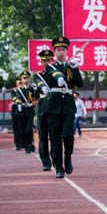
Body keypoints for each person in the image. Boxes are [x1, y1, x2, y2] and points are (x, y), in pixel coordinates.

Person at [37, 36, 84, 178]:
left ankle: (68, 157)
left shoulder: (71, 66)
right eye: (58, 50)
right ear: (54, 52)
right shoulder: (50, 67)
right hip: (53, 105)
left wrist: (75, 69)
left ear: (67, 51)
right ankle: (59, 167)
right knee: (55, 137)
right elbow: (46, 78)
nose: (61, 52)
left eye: (63, 50)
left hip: (68, 104)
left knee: (68, 135)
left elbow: (79, 84)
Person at [33, 50, 55, 170]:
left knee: (54, 135)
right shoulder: (37, 75)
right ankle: (45, 162)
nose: (47, 62)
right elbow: (36, 92)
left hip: (54, 107)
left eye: (49, 60)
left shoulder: (57, 74)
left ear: (52, 60)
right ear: (41, 62)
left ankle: (55, 157)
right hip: (42, 107)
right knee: (42, 136)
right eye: (44, 60)